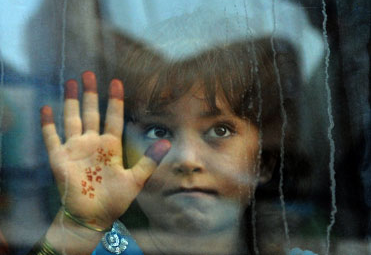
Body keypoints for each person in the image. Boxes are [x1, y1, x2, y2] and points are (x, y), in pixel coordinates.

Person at [30, 39, 317, 255]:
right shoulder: (103, 250)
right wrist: (80, 225)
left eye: (220, 130)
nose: (187, 159)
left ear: (263, 162)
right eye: (158, 131)